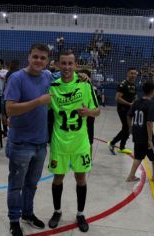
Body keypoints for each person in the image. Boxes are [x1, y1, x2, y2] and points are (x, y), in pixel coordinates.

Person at [47, 51, 100, 232]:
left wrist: (89, 112)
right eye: (64, 63)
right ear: (58, 65)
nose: (67, 67)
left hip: (80, 142)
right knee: (58, 178)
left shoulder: (85, 85)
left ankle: (80, 213)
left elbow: (97, 110)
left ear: (76, 65)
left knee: (81, 178)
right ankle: (57, 211)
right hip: (59, 141)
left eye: (71, 63)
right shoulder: (52, 86)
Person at [4, 43, 52, 236]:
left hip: (41, 142)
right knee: (16, 185)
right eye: (36, 57)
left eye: (43, 58)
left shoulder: (48, 76)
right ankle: (14, 219)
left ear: (47, 61)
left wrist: (82, 74)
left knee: (32, 183)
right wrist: (38, 102)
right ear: (29, 57)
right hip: (21, 143)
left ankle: (28, 213)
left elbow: (66, 79)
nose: (39, 61)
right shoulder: (17, 78)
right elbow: (10, 109)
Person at [126, 82, 154, 182]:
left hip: (137, 134)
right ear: (153, 91)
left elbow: (128, 115)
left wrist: (131, 128)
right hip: (145, 136)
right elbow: (149, 123)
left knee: (138, 156)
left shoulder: (136, 102)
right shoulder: (151, 105)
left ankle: (131, 175)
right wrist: (150, 139)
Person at [108, 68, 137, 155]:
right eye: (131, 73)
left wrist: (135, 102)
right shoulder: (123, 84)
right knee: (127, 128)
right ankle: (113, 143)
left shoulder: (133, 85)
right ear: (128, 74)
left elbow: (134, 97)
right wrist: (129, 104)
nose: (133, 75)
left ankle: (122, 147)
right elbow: (117, 98)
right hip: (122, 109)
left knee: (127, 129)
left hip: (130, 109)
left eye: (135, 74)